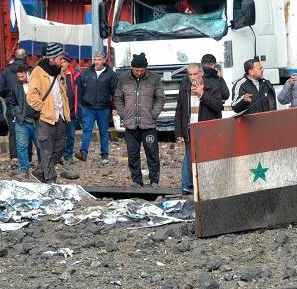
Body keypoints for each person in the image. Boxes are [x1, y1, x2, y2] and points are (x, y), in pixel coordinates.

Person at [114, 52, 165, 187]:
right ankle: (137, 181)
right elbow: (118, 97)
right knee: (132, 155)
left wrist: (154, 114)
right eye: (136, 70)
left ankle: (154, 181)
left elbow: (160, 98)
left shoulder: (155, 79)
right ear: (132, 68)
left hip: (148, 124)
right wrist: (123, 114)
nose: (138, 72)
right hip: (130, 124)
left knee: (152, 154)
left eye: (141, 70)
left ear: (146, 69)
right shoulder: (123, 79)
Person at [174, 63, 223, 195]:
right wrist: (178, 130)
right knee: (191, 161)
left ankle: (209, 187)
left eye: (195, 74)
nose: (193, 77)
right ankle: (193, 188)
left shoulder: (211, 86)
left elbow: (218, 106)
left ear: (201, 73)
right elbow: (179, 110)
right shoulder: (185, 87)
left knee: (208, 160)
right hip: (190, 130)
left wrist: (202, 94)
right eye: (190, 74)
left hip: (207, 130)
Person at [26, 42, 70, 183]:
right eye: (59, 58)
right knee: (47, 150)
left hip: (60, 116)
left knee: (60, 148)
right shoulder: (38, 72)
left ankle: (39, 172)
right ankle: (51, 179)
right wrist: (44, 109)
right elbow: (31, 97)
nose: (61, 60)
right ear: (51, 58)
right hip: (46, 118)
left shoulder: (57, 71)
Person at [75, 51, 118, 164]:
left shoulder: (111, 74)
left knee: (103, 132)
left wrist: (114, 107)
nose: (97, 62)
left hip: (103, 108)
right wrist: (81, 103)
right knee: (87, 130)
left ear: (104, 60)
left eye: (99, 59)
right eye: (95, 59)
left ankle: (104, 155)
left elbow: (115, 92)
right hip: (88, 107)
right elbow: (81, 88)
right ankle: (83, 153)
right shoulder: (87, 72)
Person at [0, 48, 30, 168]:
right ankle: (27, 157)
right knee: (28, 131)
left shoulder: (6, 71)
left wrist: (8, 96)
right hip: (27, 106)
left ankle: (14, 157)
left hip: (11, 106)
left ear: (15, 57)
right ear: (25, 57)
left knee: (13, 132)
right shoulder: (29, 70)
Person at [8, 64, 39, 177]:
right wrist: (16, 113)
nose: (20, 79)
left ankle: (42, 168)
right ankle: (23, 169)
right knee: (21, 146)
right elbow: (10, 102)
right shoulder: (15, 85)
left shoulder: (36, 83)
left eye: (22, 77)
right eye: (18, 77)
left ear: (27, 73)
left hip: (36, 120)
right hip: (21, 120)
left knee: (40, 146)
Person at [60, 56, 81, 164]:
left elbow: (80, 92)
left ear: (68, 63)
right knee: (59, 135)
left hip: (71, 111)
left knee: (71, 135)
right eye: (60, 62)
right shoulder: (56, 76)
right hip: (59, 111)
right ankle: (59, 156)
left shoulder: (75, 75)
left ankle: (68, 155)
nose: (62, 64)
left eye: (64, 62)